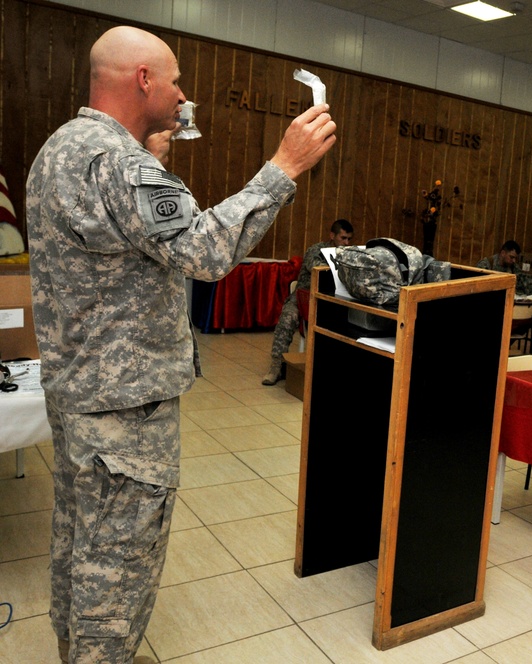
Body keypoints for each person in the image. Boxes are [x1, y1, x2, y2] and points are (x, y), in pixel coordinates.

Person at [26, 26, 336, 664]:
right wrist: (283, 168)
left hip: (78, 392)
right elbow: (205, 251)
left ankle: (76, 651)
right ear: (143, 80)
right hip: (125, 407)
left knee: (79, 544)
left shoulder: (61, 148)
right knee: (118, 563)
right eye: (175, 81)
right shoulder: (119, 161)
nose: (182, 94)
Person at [262, 219, 353, 385]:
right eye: (343, 238)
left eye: (349, 239)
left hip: (331, 300)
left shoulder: (350, 255)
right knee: (288, 318)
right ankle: (276, 366)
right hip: (304, 296)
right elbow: (315, 267)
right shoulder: (316, 250)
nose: (346, 243)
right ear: (332, 236)